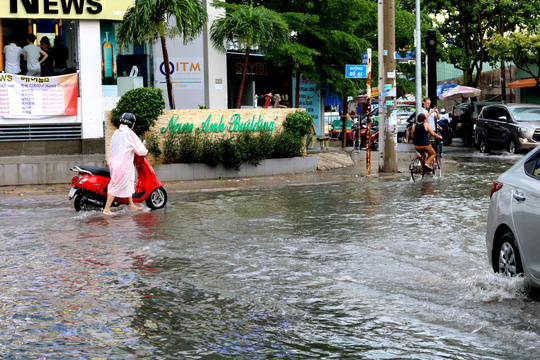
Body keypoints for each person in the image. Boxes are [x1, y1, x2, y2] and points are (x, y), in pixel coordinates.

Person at [103, 113, 148, 215]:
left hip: (114, 162)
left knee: (127, 182)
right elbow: (140, 150)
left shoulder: (116, 132)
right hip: (123, 164)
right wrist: (145, 150)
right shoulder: (129, 133)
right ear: (132, 123)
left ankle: (131, 205)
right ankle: (106, 210)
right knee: (116, 184)